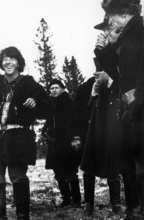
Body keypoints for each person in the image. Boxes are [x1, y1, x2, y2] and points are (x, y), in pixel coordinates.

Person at [0, 46, 53, 220]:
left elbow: (48, 108)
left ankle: (23, 217)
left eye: (12, 58)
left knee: (18, 177)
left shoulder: (30, 84)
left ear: (19, 62)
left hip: (19, 139)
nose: (8, 62)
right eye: (4, 59)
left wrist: (36, 103)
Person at [82, 0, 144, 218]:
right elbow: (121, 71)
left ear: (125, 13)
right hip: (132, 112)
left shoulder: (139, 33)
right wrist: (103, 50)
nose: (109, 23)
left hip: (138, 109)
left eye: (111, 18)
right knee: (134, 166)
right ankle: (135, 210)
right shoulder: (128, 38)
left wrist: (136, 100)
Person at [71, 18, 122, 217]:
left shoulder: (122, 52)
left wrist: (108, 82)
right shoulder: (101, 51)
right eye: (104, 30)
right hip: (98, 116)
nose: (105, 33)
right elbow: (84, 105)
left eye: (110, 29)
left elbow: (125, 83)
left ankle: (117, 203)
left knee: (113, 160)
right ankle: (89, 204)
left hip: (115, 116)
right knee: (89, 160)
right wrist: (93, 94)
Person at [44, 79, 81, 209]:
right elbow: (48, 122)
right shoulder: (50, 105)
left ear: (63, 89)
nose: (54, 90)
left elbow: (75, 122)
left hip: (67, 143)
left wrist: (75, 138)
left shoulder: (69, 103)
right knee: (59, 173)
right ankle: (66, 199)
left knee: (70, 172)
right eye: (51, 88)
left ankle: (76, 200)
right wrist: (45, 132)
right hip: (54, 144)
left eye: (56, 87)